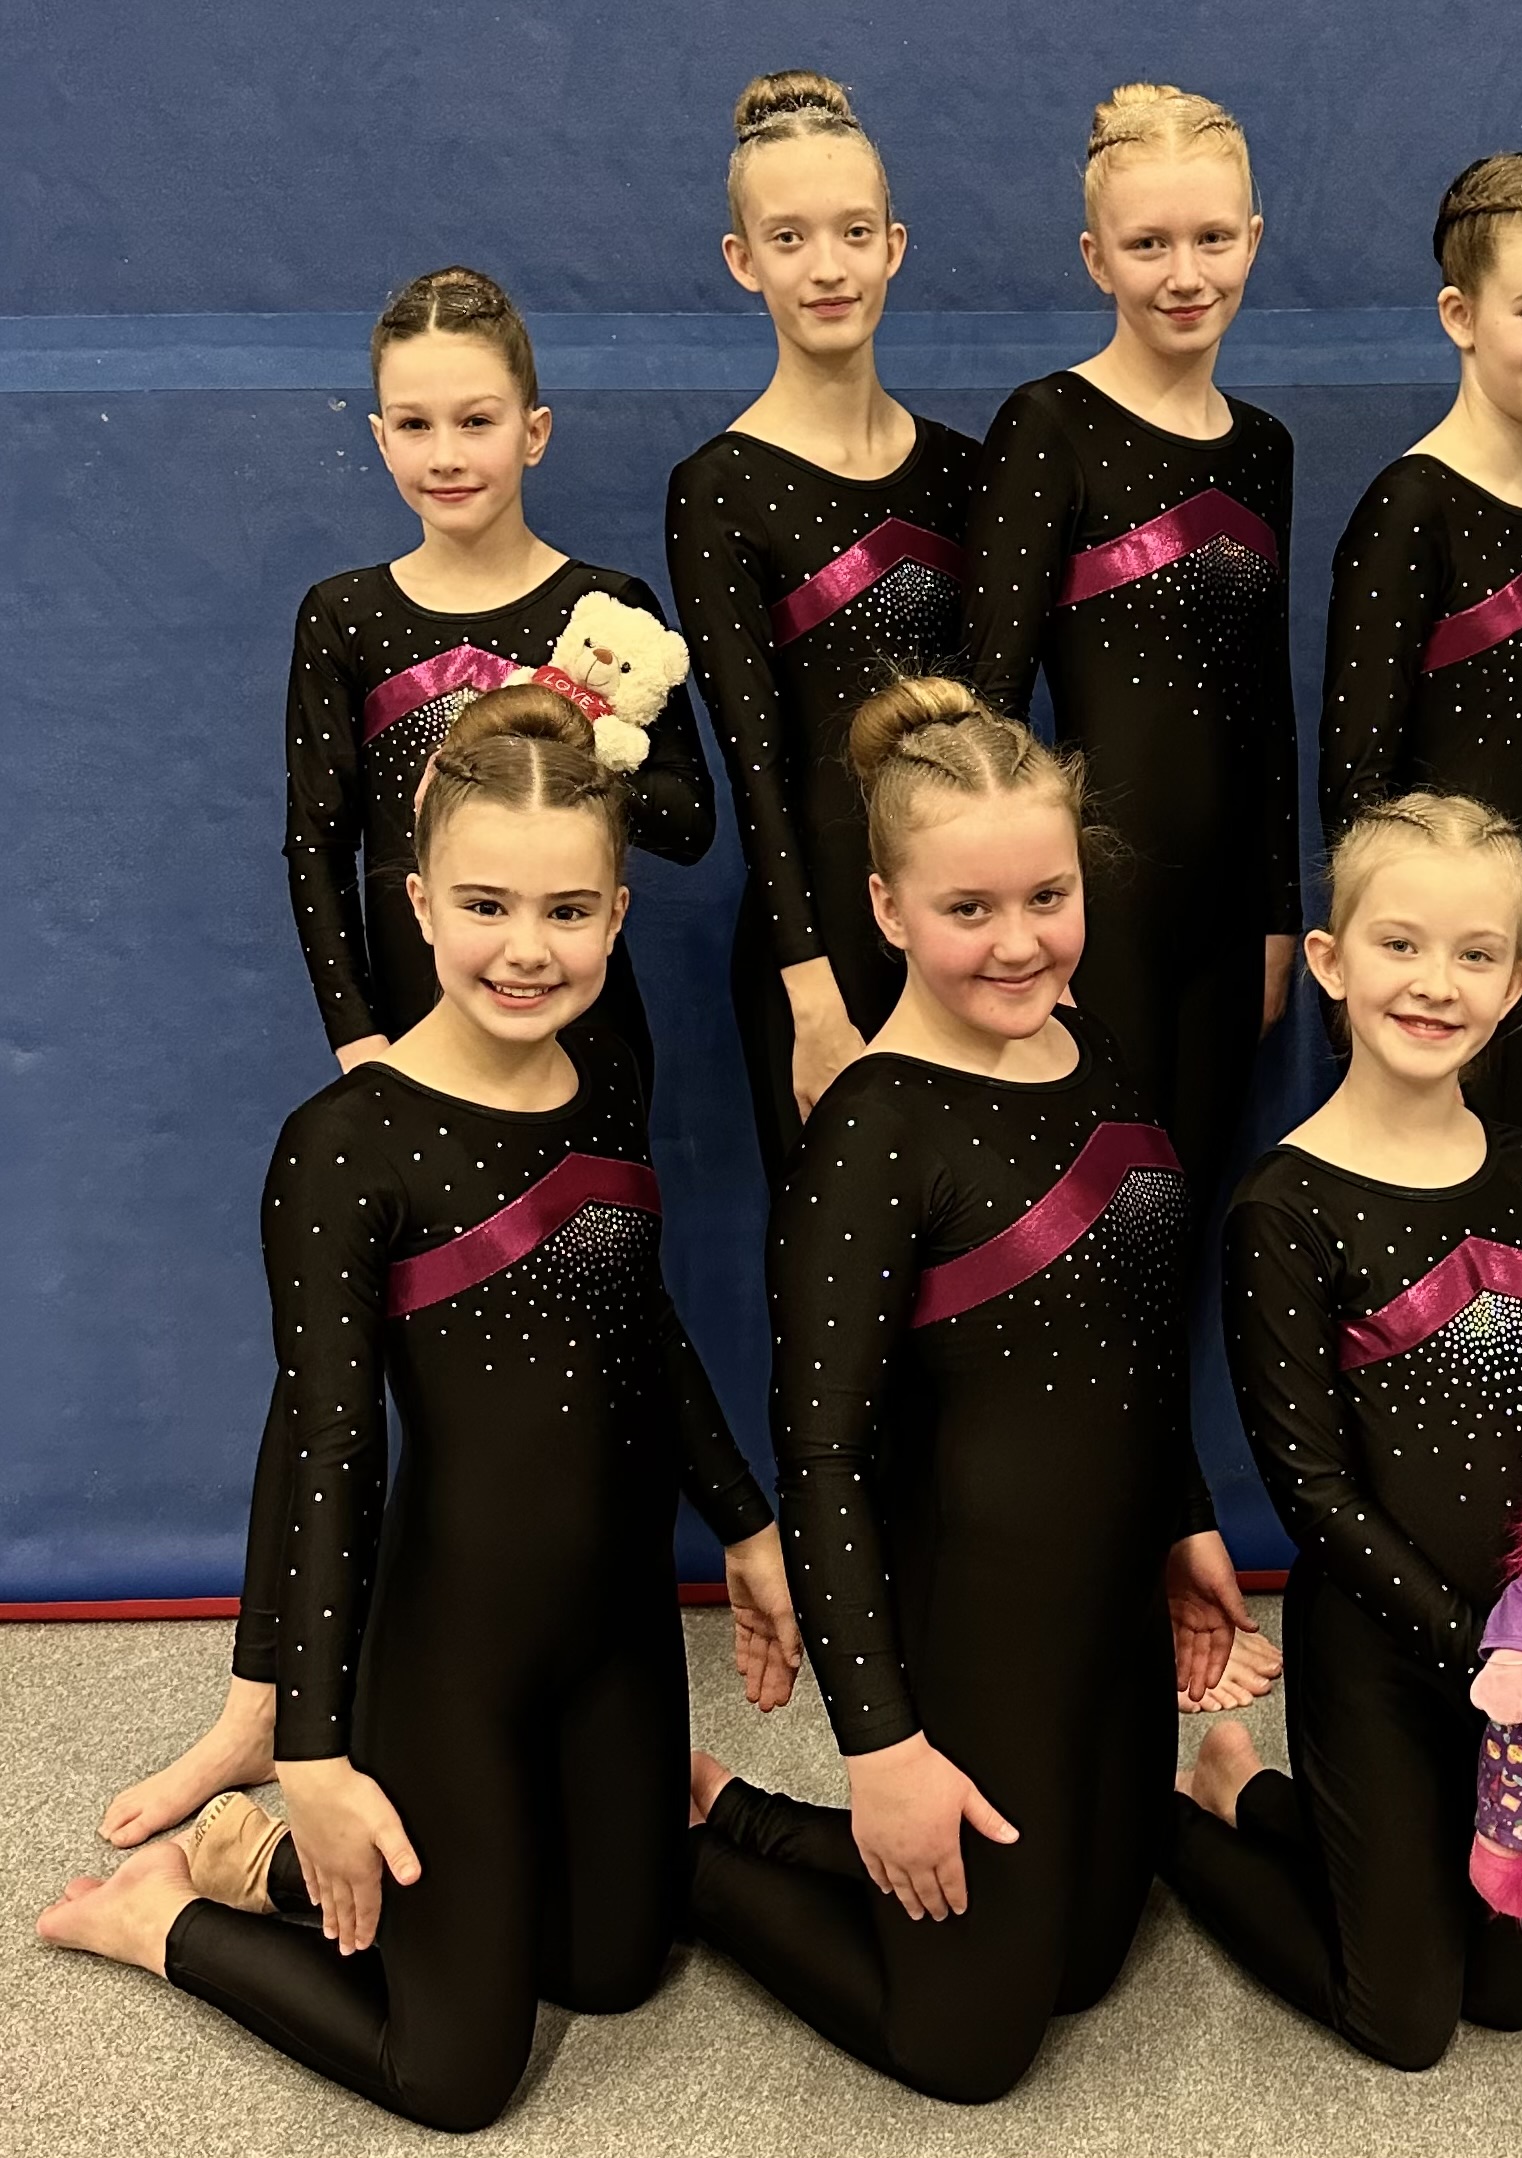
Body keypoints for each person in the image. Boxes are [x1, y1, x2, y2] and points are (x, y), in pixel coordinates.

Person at [42, 692, 795, 2131]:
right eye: (487, 905)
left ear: (619, 911)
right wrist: (315, 1751)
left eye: (567, 910)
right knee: (456, 2074)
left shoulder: (603, 1077)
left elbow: (639, 1322)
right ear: (421, 904)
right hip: (454, 1654)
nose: (528, 948)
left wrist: (747, 1524)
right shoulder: (347, 1145)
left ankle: (278, 1869)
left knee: (618, 1968)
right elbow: (332, 1454)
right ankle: (168, 1914)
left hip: (617, 1628)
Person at [99, 265, 721, 1854]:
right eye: (417, 424)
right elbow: (317, 844)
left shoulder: (603, 610)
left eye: (478, 420)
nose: (450, 452)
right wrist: (358, 1038)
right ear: (378, 436)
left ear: (534, 429)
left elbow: (686, 822)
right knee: (328, 1378)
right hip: (411, 1046)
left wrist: (578, 732)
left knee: (592, 1327)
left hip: (582, 1046)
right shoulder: (350, 616)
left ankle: (596, 1664)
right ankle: (262, 1698)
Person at [682, 677, 1255, 2102]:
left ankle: (777, 1822)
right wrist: (881, 1746)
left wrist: (1184, 1515)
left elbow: (1133, 1330)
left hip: (1108, 1612)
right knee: (972, 2046)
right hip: (970, 1628)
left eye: (1047, 896)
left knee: (1089, 1961)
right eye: (968, 909)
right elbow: (819, 1458)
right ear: (886, 908)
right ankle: (697, 1841)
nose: (1018, 942)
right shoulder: (874, 1128)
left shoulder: (1090, 1044)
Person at [1165, 793, 1522, 2067]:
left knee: (1509, 1994)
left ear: (1518, 989)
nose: (1433, 982)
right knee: (1404, 2019)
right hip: (1388, 1655)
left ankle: (1276, 1806)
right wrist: (1492, 1661)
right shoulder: (1283, 1208)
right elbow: (1314, 1495)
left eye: (1474, 955)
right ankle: (1187, 1812)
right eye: (1399, 944)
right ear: (1330, 960)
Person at [964, 82, 1298, 1211]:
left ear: (1254, 238)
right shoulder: (1050, 425)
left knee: (1188, 1222)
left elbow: (1266, 703)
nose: (1186, 275)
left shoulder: (1262, 449)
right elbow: (988, 708)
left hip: (1229, 925)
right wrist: (1020, 919)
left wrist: (1279, 913)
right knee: (1094, 1224)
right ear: (1096, 257)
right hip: (1095, 915)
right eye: (1149, 245)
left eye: (1213, 239)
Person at [667, 71, 979, 1179]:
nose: (829, 268)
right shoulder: (719, 491)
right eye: (789, 238)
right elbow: (756, 765)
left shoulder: (965, 474)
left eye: (853, 233)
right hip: (819, 947)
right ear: (742, 259)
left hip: (963, 925)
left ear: (895, 245)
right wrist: (812, 994)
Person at [1321, 154, 1522, 1139]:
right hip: (1435, 975)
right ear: (1461, 315)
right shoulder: (1411, 506)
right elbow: (1357, 781)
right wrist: (1397, 974)